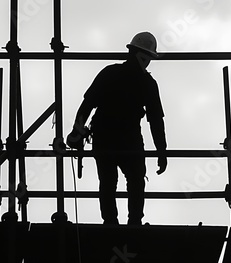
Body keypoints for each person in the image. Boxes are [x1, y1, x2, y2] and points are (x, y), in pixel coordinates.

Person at [67, 32, 167, 225]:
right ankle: (133, 223)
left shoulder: (110, 73)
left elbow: (87, 105)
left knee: (109, 182)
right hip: (126, 139)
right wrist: (161, 151)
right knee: (134, 181)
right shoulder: (147, 83)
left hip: (107, 136)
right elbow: (156, 121)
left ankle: (111, 223)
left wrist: (77, 133)